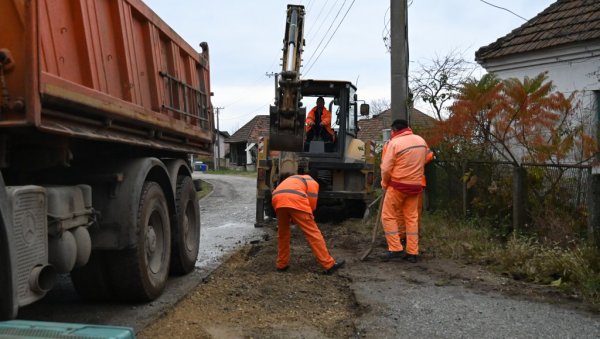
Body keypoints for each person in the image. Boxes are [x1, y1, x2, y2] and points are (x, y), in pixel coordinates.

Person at [271, 172, 345, 274]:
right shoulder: (312, 182)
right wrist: (308, 218)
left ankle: (281, 265)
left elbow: (287, 201)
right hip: (295, 199)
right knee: (313, 233)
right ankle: (329, 265)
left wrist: (293, 218)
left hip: (277, 199)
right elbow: (312, 204)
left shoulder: (293, 180)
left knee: (283, 234)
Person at [380, 119, 429, 263]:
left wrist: (384, 183)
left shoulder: (394, 144)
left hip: (398, 186)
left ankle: (395, 248)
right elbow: (426, 158)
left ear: (394, 130)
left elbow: (386, 168)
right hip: (415, 186)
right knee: (411, 218)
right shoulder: (420, 140)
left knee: (388, 216)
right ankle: (412, 252)